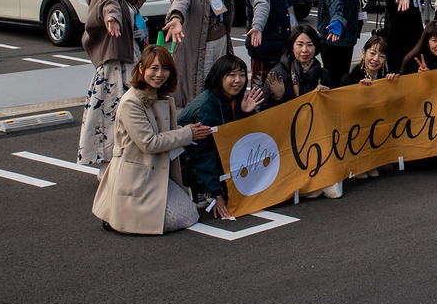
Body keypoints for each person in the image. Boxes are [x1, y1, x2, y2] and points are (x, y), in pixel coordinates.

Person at [92, 45, 212, 235]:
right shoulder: (131, 101)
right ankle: (116, 217)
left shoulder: (160, 96)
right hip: (136, 176)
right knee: (176, 219)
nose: (159, 74)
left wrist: (188, 132)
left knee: (189, 214)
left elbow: (167, 132)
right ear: (141, 69)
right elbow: (150, 143)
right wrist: (188, 134)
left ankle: (119, 216)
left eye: (165, 69)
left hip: (154, 173)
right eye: (153, 68)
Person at [78, 0, 152, 167]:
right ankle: (113, 164)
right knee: (118, 116)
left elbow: (126, 11)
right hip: (117, 67)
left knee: (123, 115)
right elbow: (108, 6)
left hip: (131, 60)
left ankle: (124, 161)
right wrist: (111, 18)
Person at [177, 54, 266, 218]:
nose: (238, 80)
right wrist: (215, 195)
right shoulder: (206, 109)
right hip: (189, 165)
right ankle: (202, 191)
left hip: (220, 159)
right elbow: (201, 155)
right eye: (231, 75)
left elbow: (248, 138)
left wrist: (247, 113)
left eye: (241, 74)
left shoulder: (236, 98)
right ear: (218, 77)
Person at [340, 35, 393, 180]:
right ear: (363, 53)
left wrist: (393, 85)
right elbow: (343, 109)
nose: (376, 59)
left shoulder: (386, 79)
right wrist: (358, 92)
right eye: (372, 53)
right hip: (355, 131)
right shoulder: (350, 79)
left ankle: (372, 161)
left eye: (381, 56)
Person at [262, 25, 330, 108]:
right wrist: (277, 98)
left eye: (310, 45)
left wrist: (325, 97)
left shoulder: (323, 74)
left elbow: (330, 110)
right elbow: (264, 111)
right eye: (300, 45)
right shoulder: (277, 73)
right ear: (292, 47)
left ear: (316, 47)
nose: (304, 50)